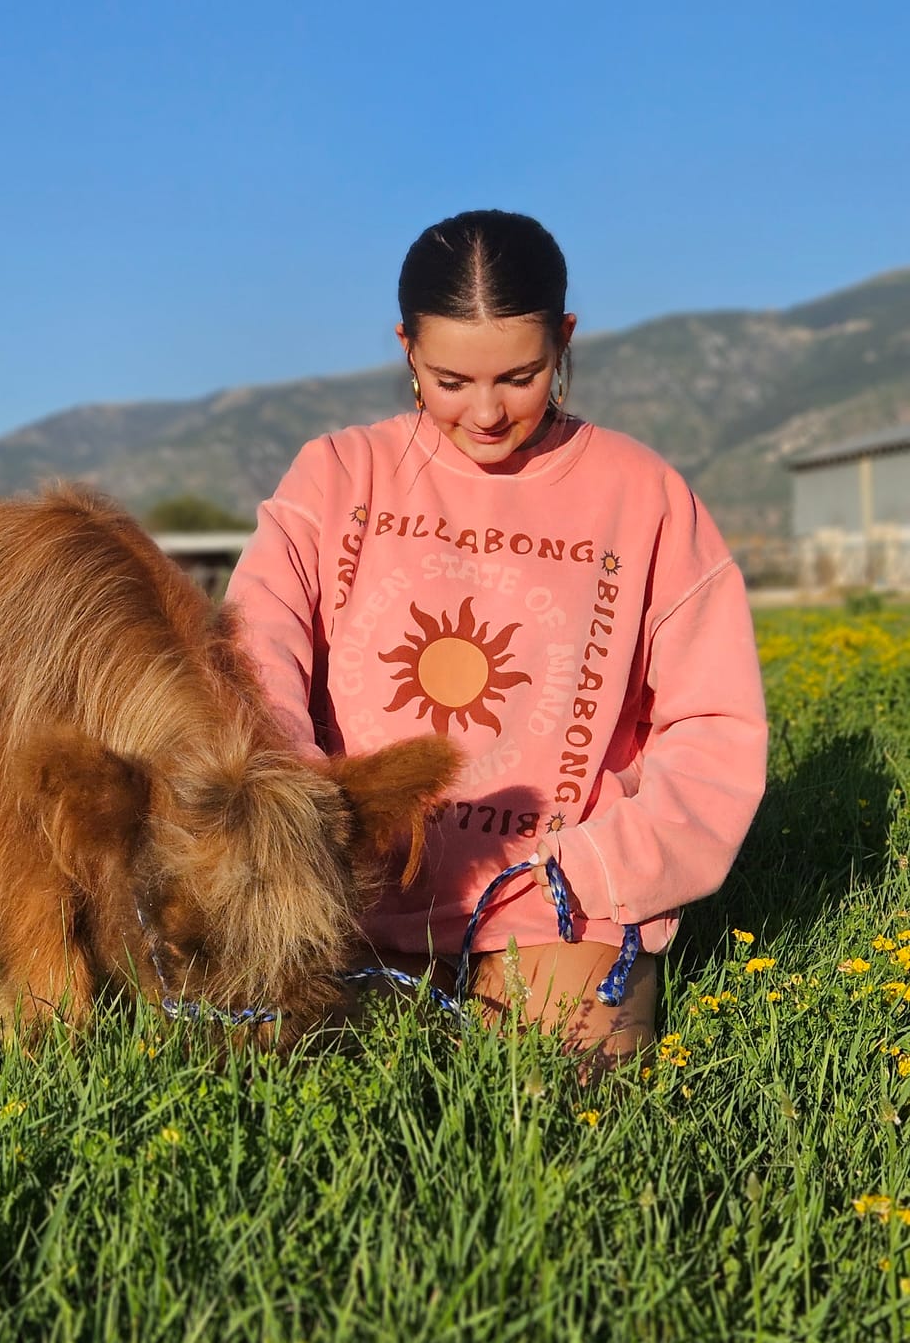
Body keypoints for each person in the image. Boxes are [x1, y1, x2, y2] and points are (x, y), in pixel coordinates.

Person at [225, 209, 768, 1072]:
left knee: (558, 1089)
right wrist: (310, 822)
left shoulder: (645, 494)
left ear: (565, 339)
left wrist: (595, 868)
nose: (484, 413)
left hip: (556, 899)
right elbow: (256, 662)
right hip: (348, 891)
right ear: (406, 348)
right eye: (450, 380)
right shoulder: (336, 476)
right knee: (282, 1074)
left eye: (519, 376)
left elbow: (716, 728)